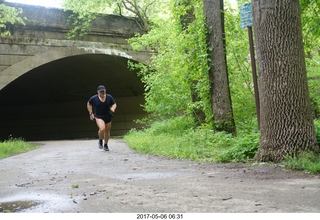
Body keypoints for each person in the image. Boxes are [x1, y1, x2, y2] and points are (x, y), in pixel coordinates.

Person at [87, 85, 117, 151]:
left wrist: (113, 108)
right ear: (98, 92)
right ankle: (100, 140)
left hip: (107, 116)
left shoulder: (109, 97)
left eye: (104, 91)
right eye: (101, 92)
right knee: (102, 128)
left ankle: (105, 144)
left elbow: (114, 104)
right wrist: (90, 113)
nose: (103, 93)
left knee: (107, 131)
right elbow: (89, 104)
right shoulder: (94, 98)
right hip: (98, 116)